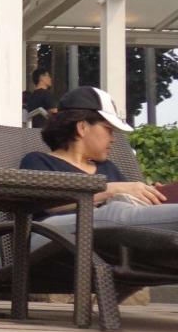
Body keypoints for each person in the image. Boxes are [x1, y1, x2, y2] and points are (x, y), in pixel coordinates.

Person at [19, 85, 178, 233]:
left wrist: (152, 195)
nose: (113, 139)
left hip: (113, 240)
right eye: (108, 130)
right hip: (51, 236)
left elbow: (133, 209)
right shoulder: (38, 161)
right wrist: (112, 190)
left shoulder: (107, 167)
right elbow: (46, 202)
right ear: (82, 127)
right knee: (114, 212)